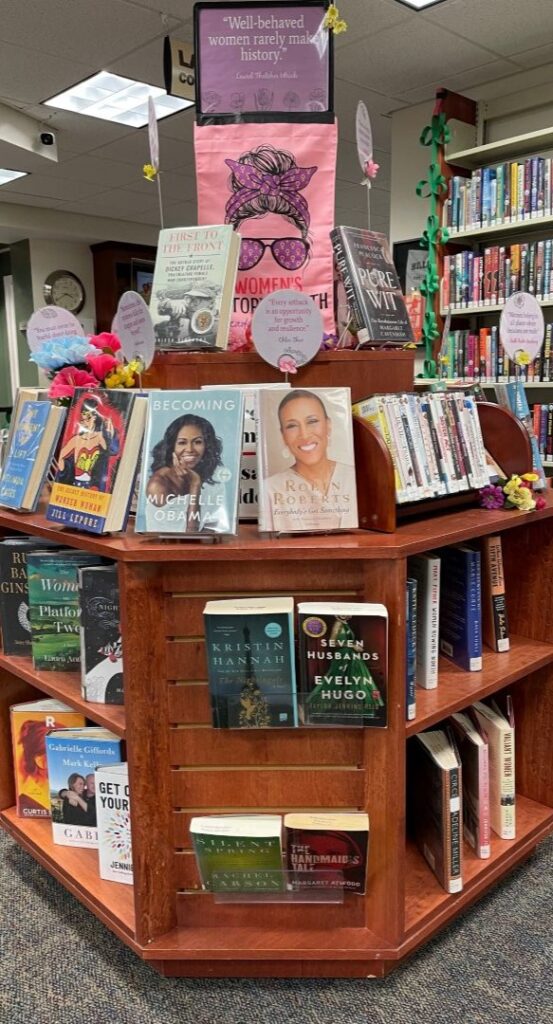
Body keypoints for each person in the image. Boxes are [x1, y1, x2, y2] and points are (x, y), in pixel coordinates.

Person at [262, 389, 357, 532]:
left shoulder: (356, 479)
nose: (304, 435)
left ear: (328, 425)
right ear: (283, 436)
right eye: (292, 426)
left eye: (312, 421)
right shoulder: (269, 490)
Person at [145, 414, 229, 533]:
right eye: (182, 442)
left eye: (198, 442)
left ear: (207, 446)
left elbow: (213, 525)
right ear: (172, 447)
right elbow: (190, 534)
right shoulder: (158, 484)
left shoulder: (212, 474)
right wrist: (195, 485)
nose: (190, 449)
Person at [56, 394, 120, 491]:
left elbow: (112, 450)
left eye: (88, 418)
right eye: (83, 420)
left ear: (95, 418)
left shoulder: (100, 437)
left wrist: (109, 434)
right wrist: (66, 470)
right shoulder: (76, 439)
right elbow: (60, 457)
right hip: (75, 484)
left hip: (94, 487)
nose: (85, 422)